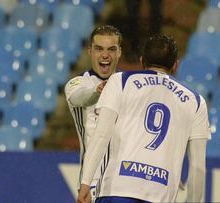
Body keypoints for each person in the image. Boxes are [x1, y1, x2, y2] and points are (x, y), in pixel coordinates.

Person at [77, 34, 211, 203]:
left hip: (118, 188)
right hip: (161, 195)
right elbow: (198, 167)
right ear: (176, 65)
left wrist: (85, 182)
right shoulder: (196, 101)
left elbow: (101, 135)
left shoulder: (121, 81)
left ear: (141, 61)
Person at [64, 25, 122, 201]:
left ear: (120, 52)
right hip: (94, 183)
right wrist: (97, 91)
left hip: (126, 182)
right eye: (99, 49)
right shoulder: (77, 84)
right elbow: (79, 98)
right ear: (90, 51)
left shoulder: (129, 86)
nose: (105, 55)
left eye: (111, 49)